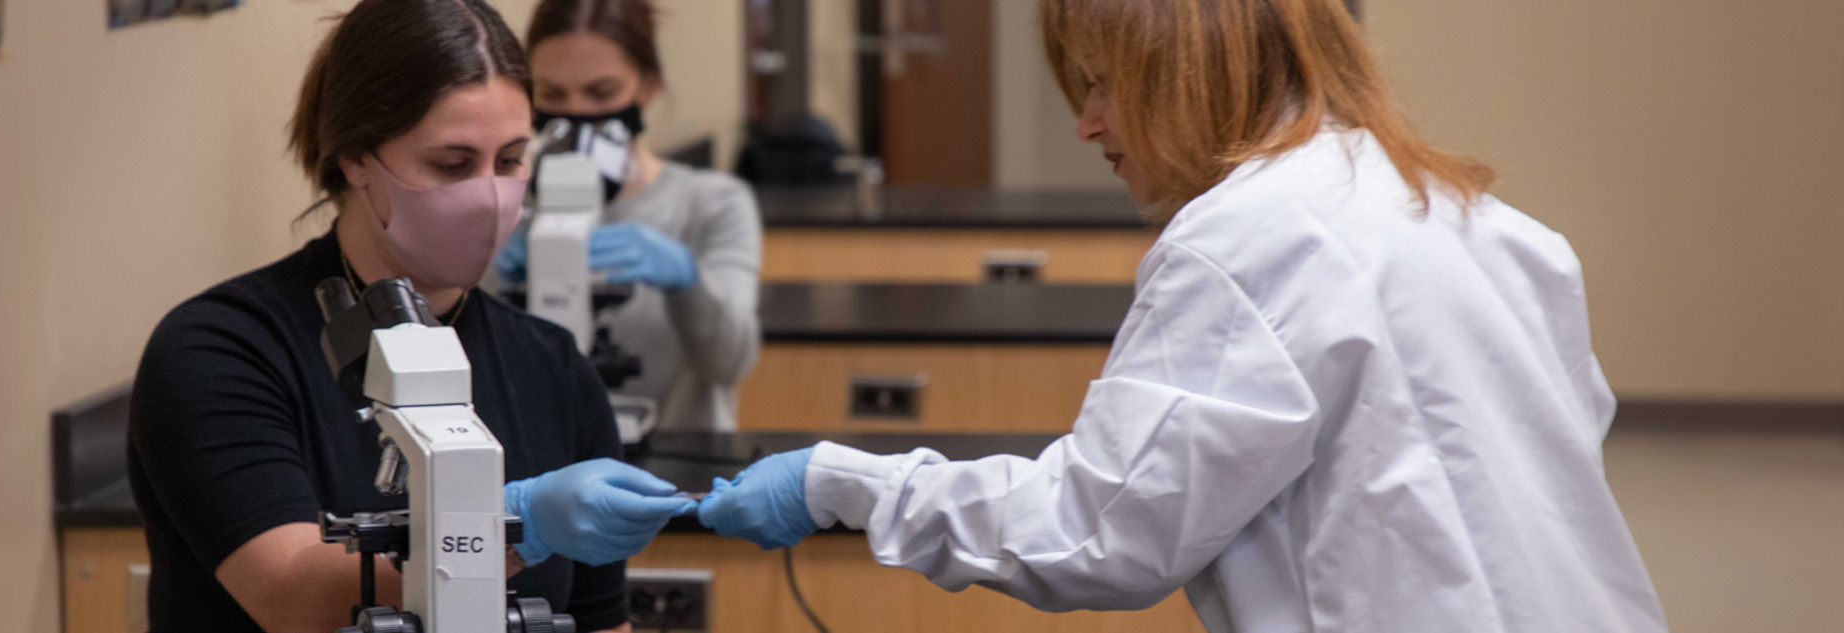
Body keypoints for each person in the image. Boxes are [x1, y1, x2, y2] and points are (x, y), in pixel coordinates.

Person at [697, 1, 1671, 631]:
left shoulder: (1246, 238)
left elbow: (1095, 537)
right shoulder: (1478, 221)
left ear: (1187, 64)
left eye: (1098, 82)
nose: (1085, 124)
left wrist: (845, 483)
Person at [127, 1, 690, 631]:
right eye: (451, 165)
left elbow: (600, 621)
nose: (488, 196)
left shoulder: (551, 367)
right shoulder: (219, 352)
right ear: (355, 159)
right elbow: (291, 597)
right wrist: (517, 532)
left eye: (508, 161)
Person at [495, 0, 762, 432]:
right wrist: (482, 278)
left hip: (675, 460)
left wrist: (689, 281)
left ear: (648, 86)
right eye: (553, 95)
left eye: (601, 93)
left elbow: (729, 365)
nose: (577, 111)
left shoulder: (711, 203)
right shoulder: (509, 206)